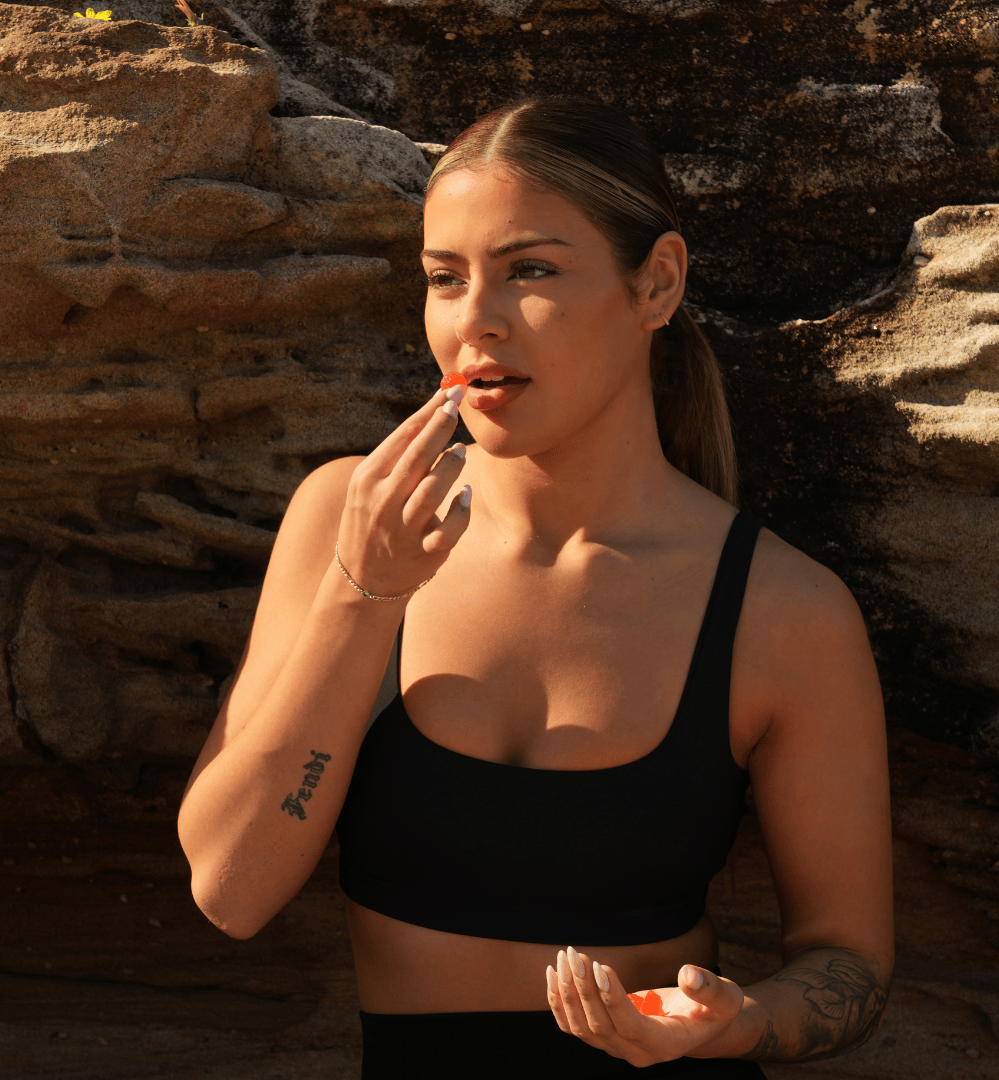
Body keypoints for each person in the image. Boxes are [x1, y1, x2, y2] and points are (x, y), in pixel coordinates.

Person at [178, 97, 893, 1078]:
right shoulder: (343, 519)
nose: (475, 320)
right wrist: (364, 593)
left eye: (531, 271)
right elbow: (229, 888)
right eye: (444, 278)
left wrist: (734, 1024)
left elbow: (849, 966)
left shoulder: (785, 612)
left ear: (658, 284)